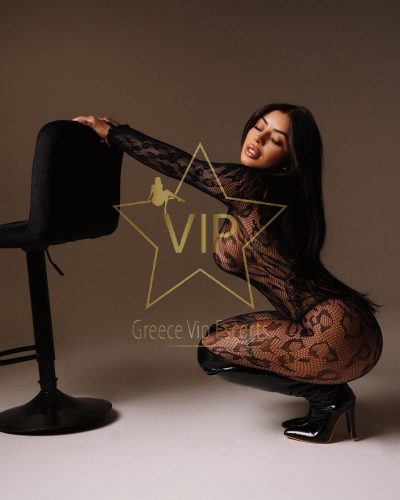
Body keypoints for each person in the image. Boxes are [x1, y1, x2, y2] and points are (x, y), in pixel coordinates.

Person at [71, 103, 384, 443]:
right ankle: (331, 395)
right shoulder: (281, 194)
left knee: (213, 355)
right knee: (217, 337)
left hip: (334, 328)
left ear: (289, 157)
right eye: (258, 127)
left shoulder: (252, 185)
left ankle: (329, 399)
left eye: (276, 139)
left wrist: (114, 133)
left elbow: (184, 167)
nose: (258, 139)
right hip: (342, 325)